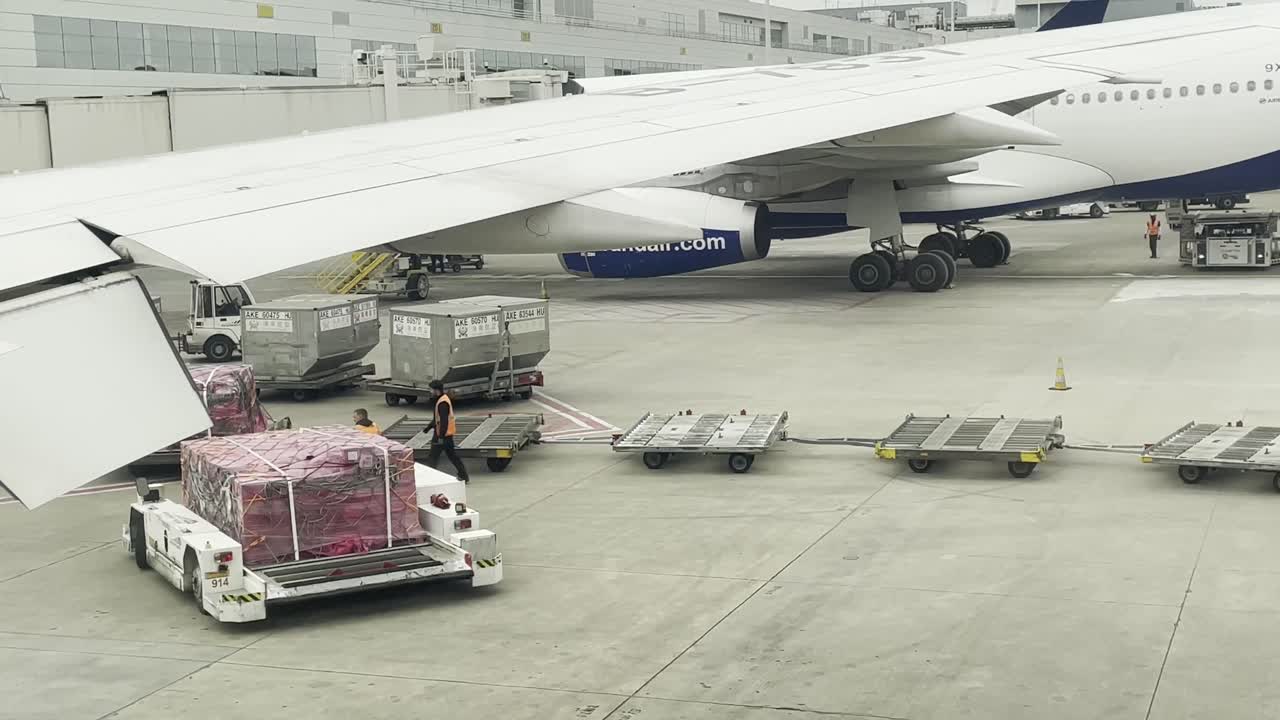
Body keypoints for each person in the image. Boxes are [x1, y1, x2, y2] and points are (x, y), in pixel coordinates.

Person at [426, 379, 470, 482]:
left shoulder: (442, 403)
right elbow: (437, 419)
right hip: (447, 435)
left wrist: (440, 437)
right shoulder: (442, 399)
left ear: (436, 390)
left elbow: (444, 421)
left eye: (431, 389)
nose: (430, 391)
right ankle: (464, 476)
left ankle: (429, 479)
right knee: (453, 456)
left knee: (432, 458)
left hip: (442, 435)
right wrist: (428, 428)